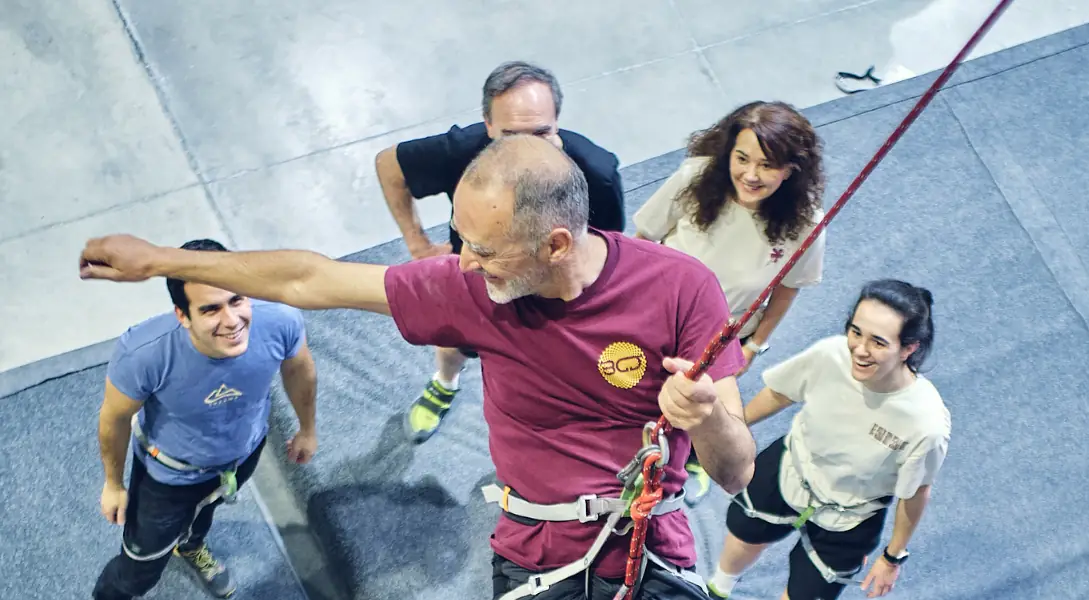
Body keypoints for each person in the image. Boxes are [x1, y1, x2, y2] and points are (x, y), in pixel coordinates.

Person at [80, 135, 757, 600]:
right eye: (463, 242)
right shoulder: (472, 289)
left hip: (647, 541)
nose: (463, 264)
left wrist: (705, 420)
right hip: (536, 550)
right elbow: (308, 279)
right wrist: (165, 260)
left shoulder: (679, 289)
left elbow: (734, 472)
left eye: (485, 250)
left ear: (554, 244)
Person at [375, 60, 627, 444]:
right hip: (476, 274)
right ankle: (445, 382)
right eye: (511, 135)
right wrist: (417, 243)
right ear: (487, 124)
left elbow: (608, 250)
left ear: (557, 123)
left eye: (541, 132)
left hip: (549, 293)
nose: (528, 150)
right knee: (453, 339)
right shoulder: (462, 150)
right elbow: (389, 165)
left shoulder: (597, 171)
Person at [90, 238, 319, 600]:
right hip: (167, 478)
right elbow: (113, 419)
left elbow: (300, 369)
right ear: (183, 315)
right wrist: (113, 484)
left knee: (206, 512)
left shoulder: (280, 319)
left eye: (237, 299)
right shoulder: (144, 353)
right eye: (211, 309)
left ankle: (191, 545)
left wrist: (307, 429)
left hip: (242, 456)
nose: (232, 321)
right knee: (137, 570)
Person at [704, 279, 950, 600]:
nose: (860, 350)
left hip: (850, 518)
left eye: (878, 342)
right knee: (743, 535)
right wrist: (731, 427)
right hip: (788, 469)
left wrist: (892, 557)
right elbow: (780, 393)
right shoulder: (830, 354)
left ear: (909, 348)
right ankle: (719, 588)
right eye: (856, 331)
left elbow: (915, 493)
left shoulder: (925, 423)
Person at [633, 100, 827, 506]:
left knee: (704, 416)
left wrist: (754, 346)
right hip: (653, 314)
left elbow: (786, 289)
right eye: (742, 159)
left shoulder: (805, 223)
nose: (751, 175)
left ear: (791, 169)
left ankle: (690, 465)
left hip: (718, 341)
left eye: (767, 165)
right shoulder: (696, 177)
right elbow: (641, 242)